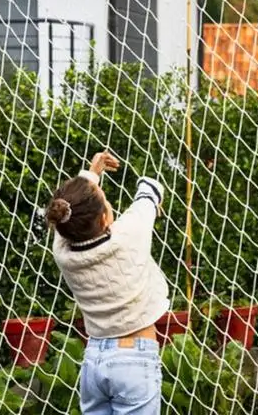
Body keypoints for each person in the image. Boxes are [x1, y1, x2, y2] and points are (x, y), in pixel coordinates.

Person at [45, 151, 168, 415]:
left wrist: (91, 174)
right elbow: (151, 189)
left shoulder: (63, 253)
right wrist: (93, 175)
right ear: (104, 218)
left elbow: (66, 219)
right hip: (134, 359)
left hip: (95, 359)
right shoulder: (128, 234)